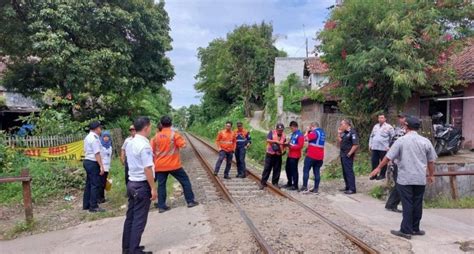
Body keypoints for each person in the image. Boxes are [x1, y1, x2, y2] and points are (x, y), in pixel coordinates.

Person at [370, 115, 436, 240]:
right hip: (420, 178)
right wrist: (431, 175)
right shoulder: (425, 141)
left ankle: (406, 230)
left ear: (406, 126)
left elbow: (388, 157)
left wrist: (378, 168)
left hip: (405, 178)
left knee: (407, 203)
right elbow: (431, 161)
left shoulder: (401, 140)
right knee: (417, 202)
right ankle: (415, 228)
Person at [122, 117, 157, 254]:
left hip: (131, 183)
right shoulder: (144, 145)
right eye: (150, 127)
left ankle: (127, 248)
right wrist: (153, 188)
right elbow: (147, 168)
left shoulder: (130, 142)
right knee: (139, 220)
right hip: (141, 185)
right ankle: (134, 250)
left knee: (130, 217)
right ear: (146, 127)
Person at [150, 116, 199, 213]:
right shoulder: (174, 135)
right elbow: (183, 145)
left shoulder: (155, 137)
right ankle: (190, 201)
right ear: (171, 124)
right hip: (174, 165)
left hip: (160, 166)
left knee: (161, 185)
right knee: (185, 181)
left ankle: (161, 206)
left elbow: (151, 151)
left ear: (161, 124)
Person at [384, 113, 407, 213]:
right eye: (399, 118)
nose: (400, 120)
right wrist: (390, 159)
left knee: (399, 183)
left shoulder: (407, 131)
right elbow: (391, 144)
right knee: (399, 183)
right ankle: (391, 204)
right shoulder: (397, 130)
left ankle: (391, 204)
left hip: (404, 160)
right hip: (396, 160)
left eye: (402, 118)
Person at [83, 121, 106, 213]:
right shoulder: (94, 139)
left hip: (87, 161)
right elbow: (97, 154)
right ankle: (93, 206)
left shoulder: (88, 137)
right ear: (96, 129)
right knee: (95, 184)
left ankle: (87, 204)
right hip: (93, 162)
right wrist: (101, 166)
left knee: (89, 184)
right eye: (100, 128)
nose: (101, 130)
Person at [260, 123, 286, 189]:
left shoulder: (284, 135)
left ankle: (275, 183)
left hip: (278, 154)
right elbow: (268, 140)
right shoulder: (271, 132)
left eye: (281, 130)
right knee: (267, 168)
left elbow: (284, 144)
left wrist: (284, 150)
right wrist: (275, 141)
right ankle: (263, 183)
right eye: (279, 130)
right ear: (276, 129)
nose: (280, 131)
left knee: (277, 169)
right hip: (270, 154)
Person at [301, 122, 325, 193]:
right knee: (317, 172)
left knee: (306, 170)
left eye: (311, 127)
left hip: (311, 156)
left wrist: (307, 131)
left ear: (313, 126)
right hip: (320, 157)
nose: (310, 128)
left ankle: (304, 187)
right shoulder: (322, 133)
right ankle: (316, 188)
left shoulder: (314, 133)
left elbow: (305, 138)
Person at [369, 113, 394, 180]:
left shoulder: (389, 127)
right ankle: (374, 175)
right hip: (375, 147)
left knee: (383, 162)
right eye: (379, 118)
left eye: (382, 118)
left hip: (384, 148)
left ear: (385, 119)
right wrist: (370, 145)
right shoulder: (375, 126)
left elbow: (393, 137)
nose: (380, 119)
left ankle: (382, 175)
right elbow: (371, 136)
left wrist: (390, 146)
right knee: (374, 161)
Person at [337, 119, 359, 195]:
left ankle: (352, 188)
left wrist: (350, 153)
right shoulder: (345, 133)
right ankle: (347, 186)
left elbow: (355, 144)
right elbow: (340, 141)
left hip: (348, 155)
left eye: (341, 124)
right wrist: (339, 134)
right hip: (343, 154)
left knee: (349, 171)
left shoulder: (352, 132)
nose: (340, 126)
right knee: (344, 171)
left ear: (346, 124)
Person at [284, 121, 304, 191]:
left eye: (291, 128)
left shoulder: (300, 135)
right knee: (287, 168)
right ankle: (289, 183)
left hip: (295, 155)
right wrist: (287, 143)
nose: (291, 129)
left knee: (294, 170)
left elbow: (300, 146)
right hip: (290, 154)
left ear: (295, 127)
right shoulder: (293, 134)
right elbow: (292, 142)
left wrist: (291, 146)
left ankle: (295, 185)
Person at [98, 130, 113, 203]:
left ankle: (102, 197)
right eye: (104, 136)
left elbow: (109, 156)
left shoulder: (110, 146)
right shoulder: (100, 146)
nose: (106, 138)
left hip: (107, 167)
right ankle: (100, 198)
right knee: (101, 183)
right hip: (102, 166)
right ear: (102, 137)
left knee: (104, 182)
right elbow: (99, 157)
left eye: (107, 136)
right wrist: (101, 167)